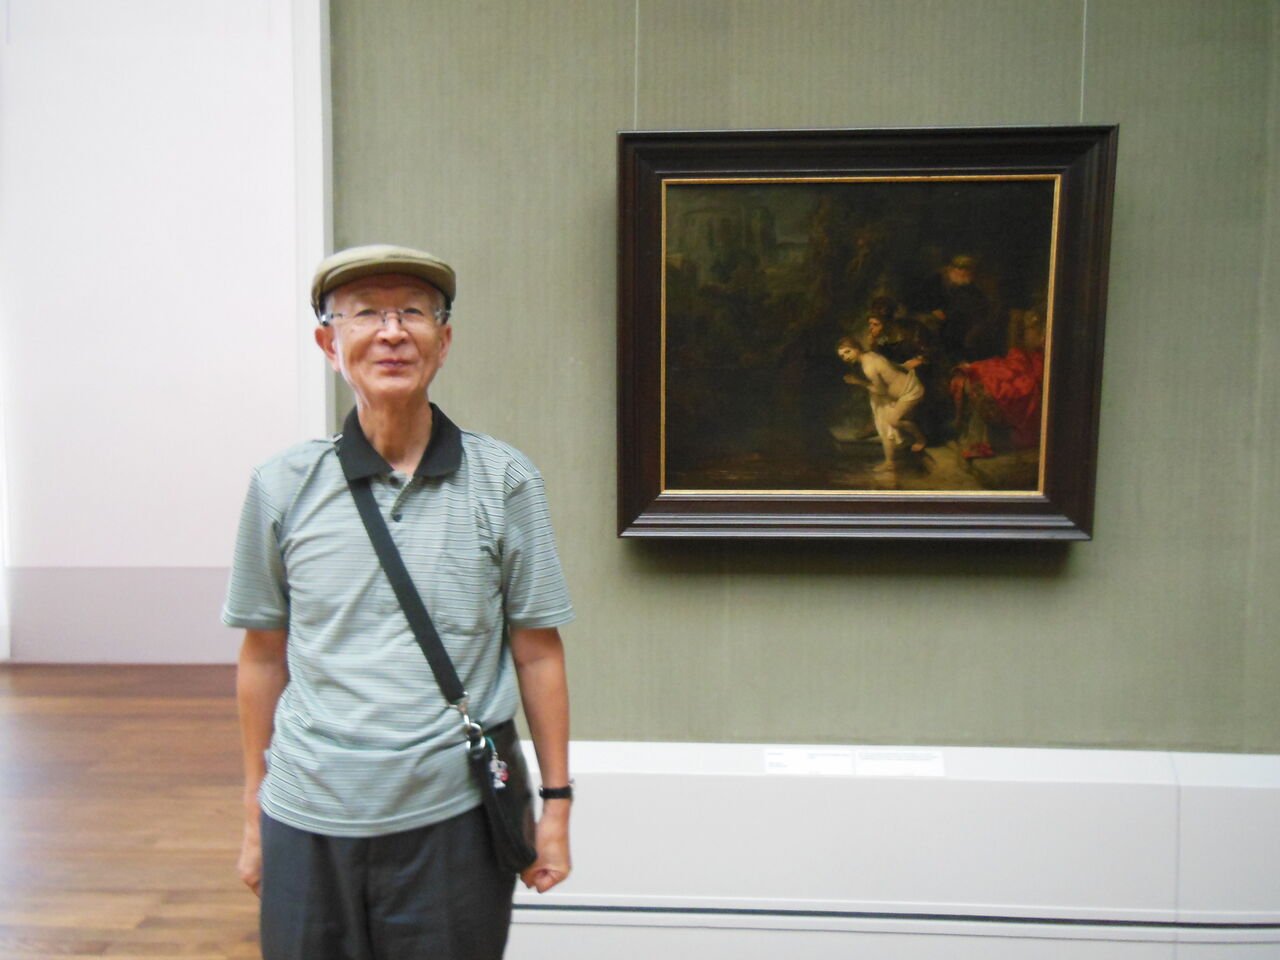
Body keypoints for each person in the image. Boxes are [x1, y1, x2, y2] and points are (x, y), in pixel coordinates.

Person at [222, 244, 575, 960]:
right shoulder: (281, 486)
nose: (391, 333)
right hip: (307, 818)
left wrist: (558, 809)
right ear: (330, 344)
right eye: (365, 315)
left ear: (443, 341)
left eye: (412, 312)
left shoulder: (504, 481)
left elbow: (538, 653)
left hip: (454, 820)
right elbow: (261, 657)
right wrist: (254, 816)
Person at [836, 336, 926, 471]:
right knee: (884, 420)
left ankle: (920, 439)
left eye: (848, 352)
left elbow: (881, 390)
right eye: (842, 356)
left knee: (893, 420)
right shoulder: (870, 355)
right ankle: (891, 461)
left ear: (857, 348)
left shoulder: (868, 366)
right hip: (900, 393)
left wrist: (858, 382)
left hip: (910, 391)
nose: (846, 357)